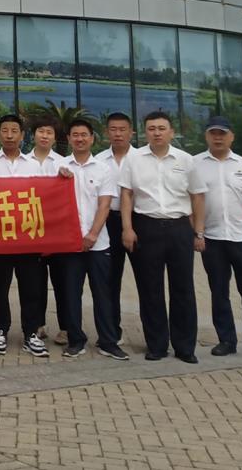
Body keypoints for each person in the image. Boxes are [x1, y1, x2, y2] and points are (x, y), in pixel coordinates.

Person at [120, 110, 207, 363]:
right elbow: (126, 195)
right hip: (146, 227)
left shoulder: (186, 160)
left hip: (179, 228)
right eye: (151, 128)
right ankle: (157, 345)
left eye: (161, 128)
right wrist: (127, 228)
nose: (156, 133)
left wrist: (198, 231)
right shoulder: (133, 159)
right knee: (150, 289)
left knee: (183, 289)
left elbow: (197, 197)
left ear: (171, 132)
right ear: (145, 132)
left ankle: (185, 347)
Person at [192, 116, 242, 361]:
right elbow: (190, 201)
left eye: (222, 133)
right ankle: (226, 340)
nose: (218, 137)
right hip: (212, 239)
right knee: (219, 292)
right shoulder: (195, 164)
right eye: (213, 133)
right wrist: (197, 233)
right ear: (206, 136)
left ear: (231, 136)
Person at [56, 118, 126, 360]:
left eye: (84, 135)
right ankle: (76, 340)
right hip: (69, 244)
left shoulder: (104, 169)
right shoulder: (59, 166)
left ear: (92, 138)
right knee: (71, 294)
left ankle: (108, 341)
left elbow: (105, 205)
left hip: (99, 243)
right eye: (75, 135)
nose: (80, 139)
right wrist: (57, 179)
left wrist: (93, 234)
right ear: (68, 139)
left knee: (103, 293)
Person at [0, 114, 48, 357]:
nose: (9, 135)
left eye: (14, 131)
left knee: (31, 286)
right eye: (5, 130)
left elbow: (42, 197)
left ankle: (31, 333)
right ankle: (0, 330)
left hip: (27, 235)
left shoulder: (33, 165)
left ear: (22, 135)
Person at [94, 112, 135, 342]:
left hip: (137, 222)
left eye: (122, 129)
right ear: (106, 132)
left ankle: (154, 337)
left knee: (147, 280)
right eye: (113, 129)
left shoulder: (141, 158)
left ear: (131, 132)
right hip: (107, 221)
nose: (118, 134)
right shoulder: (99, 161)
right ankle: (111, 332)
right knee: (109, 280)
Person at [26, 115, 65, 345]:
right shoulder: (23, 162)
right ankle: (37, 325)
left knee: (61, 281)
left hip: (57, 230)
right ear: (33, 135)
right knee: (35, 282)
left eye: (49, 132)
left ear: (55, 137)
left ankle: (66, 327)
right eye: (41, 131)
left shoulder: (63, 163)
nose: (44, 136)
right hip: (31, 230)